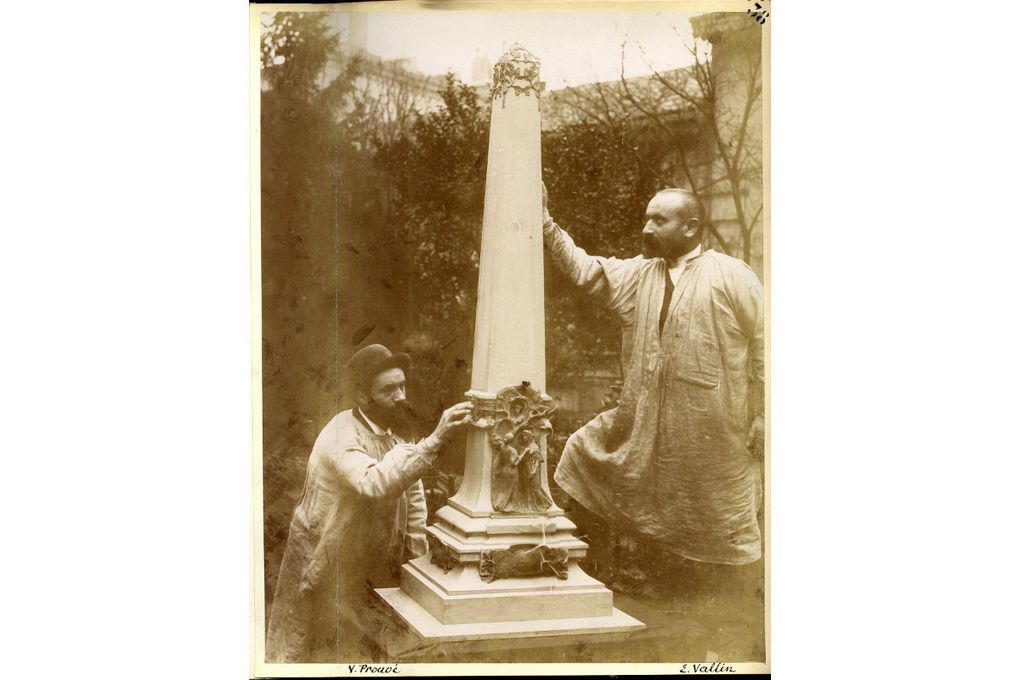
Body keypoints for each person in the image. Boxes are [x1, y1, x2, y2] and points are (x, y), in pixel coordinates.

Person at [542, 184, 765, 594]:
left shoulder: (732, 275)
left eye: (659, 220)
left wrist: (766, 415)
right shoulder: (641, 274)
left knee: (722, 522)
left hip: (713, 430)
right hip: (643, 424)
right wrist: (545, 222)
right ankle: (593, 578)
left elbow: (768, 342)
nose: (646, 228)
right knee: (581, 453)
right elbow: (586, 269)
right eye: (646, 218)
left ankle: (733, 619)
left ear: (691, 227)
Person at [266, 343, 473, 662]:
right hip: (326, 560)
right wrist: (434, 440)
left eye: (402, 385)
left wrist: (415, 557)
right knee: (313, 646)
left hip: (369, 562)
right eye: (389, 389)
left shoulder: (392, 432)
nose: (401, 396)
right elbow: (374, 483)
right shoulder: (341, 435)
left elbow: (413, 497)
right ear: (363, 397)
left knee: (364, 649)